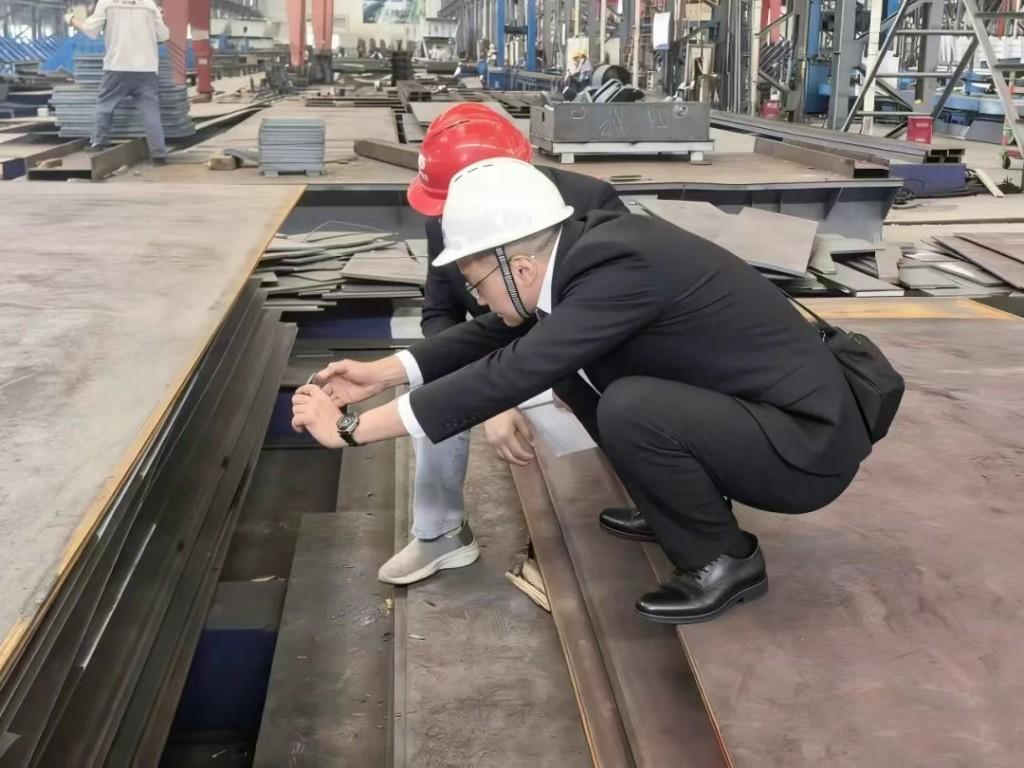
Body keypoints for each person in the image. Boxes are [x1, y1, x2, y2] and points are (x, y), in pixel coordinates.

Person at [291, 158, 871, 625]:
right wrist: (381, 373)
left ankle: (724, 560)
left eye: (477, 284)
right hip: (758, 415)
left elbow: (512, 370)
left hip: (803, 450)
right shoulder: (582, 256)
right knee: (579, 374)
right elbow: (496, 333)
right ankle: (677, 508)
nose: (479, 299)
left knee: (631, 407)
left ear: (519, 267)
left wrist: (353, 429)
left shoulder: (619, 267)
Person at [375, 104, 626, 585]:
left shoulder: (589, 204)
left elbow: (610, 317)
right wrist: (485, 394)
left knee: (623, 400)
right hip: (500, 356)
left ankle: (642, 492)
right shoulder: (445, 223)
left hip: (578, 359)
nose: (450, 217)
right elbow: (440, 314)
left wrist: (505, 389)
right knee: (431, 394)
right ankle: (440, 534)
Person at [71, 0, 169, 163]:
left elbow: (90, 29)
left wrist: (71, 20)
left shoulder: (107, 2)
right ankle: (159, 154)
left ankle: (98, 142)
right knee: (150, 111)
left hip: (117, 65)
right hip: (147, 67)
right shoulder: (149, 4)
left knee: (105, 104)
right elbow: (164, 35)